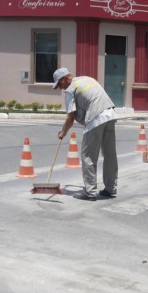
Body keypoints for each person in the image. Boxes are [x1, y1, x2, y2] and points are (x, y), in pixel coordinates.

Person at [53, 67, 118, 201]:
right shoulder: (87, 78)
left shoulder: (70, 90)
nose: (60, 88)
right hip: (110, 114)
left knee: (88, 156)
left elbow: (70, 117)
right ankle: (111, 189)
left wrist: (63, 132)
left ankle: (90, 192)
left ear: (65, 79)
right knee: (110, 155)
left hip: (96, 118)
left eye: (59, 84)